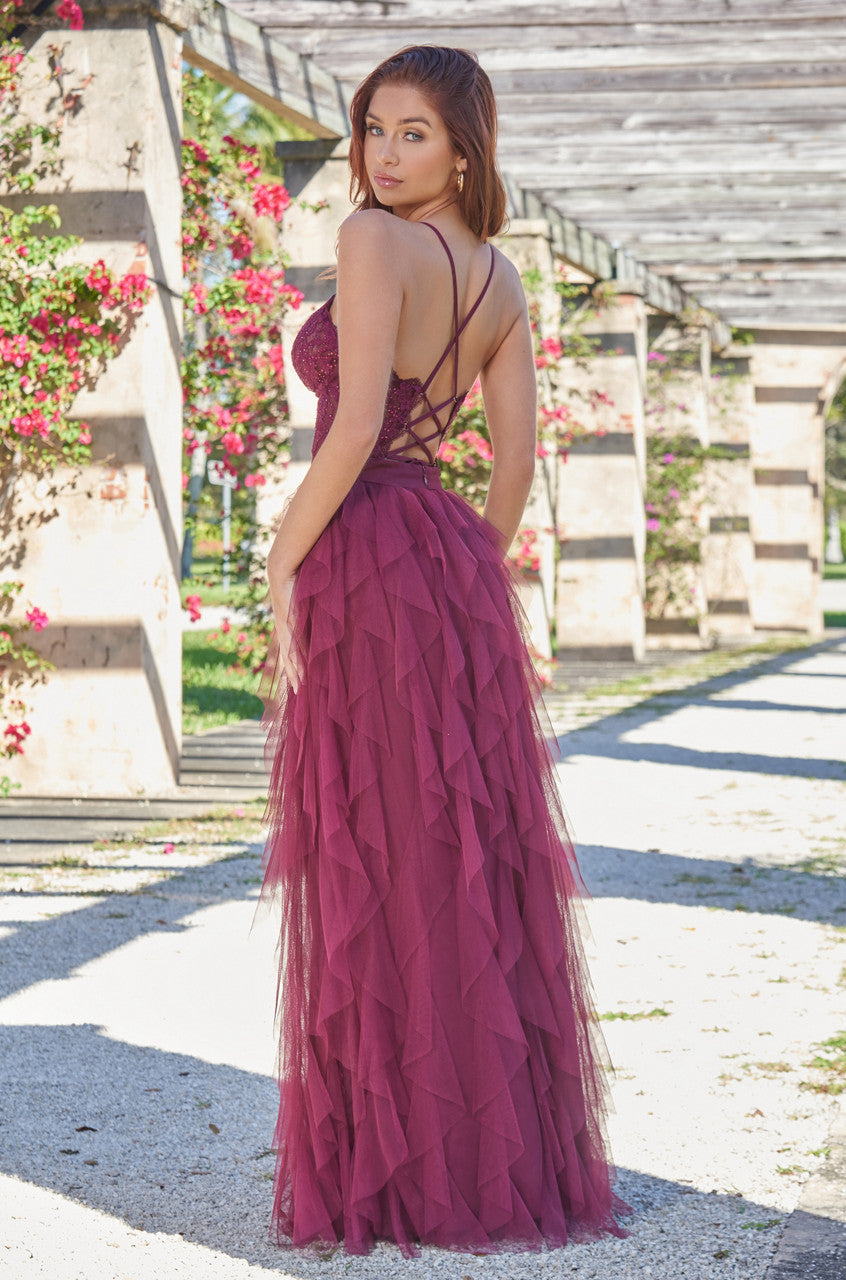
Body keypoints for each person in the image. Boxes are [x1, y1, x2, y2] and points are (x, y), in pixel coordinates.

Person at [258, 43, 630, 1260]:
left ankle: (397, 1170)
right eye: (372, 130)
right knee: (451, 857)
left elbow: (357, 420)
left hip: (364, 545)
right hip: (450, 562)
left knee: (375, 855)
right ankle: (473, 1160)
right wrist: (463, 568)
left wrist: (278, 557)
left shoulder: (372, 243)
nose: (383, 154)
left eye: (412, 132)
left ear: (467, 148)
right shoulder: (503, 278)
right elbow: (513, 468)